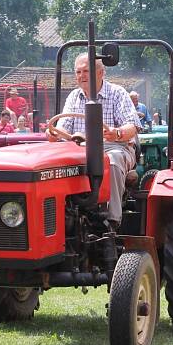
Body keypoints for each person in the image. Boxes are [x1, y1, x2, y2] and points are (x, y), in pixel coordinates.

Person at [49, 53, 141, 229]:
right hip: (79, 148)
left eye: (86, 71)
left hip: (113, 146)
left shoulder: (117, 93)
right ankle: (59, 218)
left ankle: (112, 220)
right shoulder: (74, 97)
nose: (82, 76)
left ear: (101, 72)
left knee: (111, 162)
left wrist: (118, 133)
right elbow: (63, 129)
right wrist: (53, 133)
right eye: (78, 72)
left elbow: (133, 126)